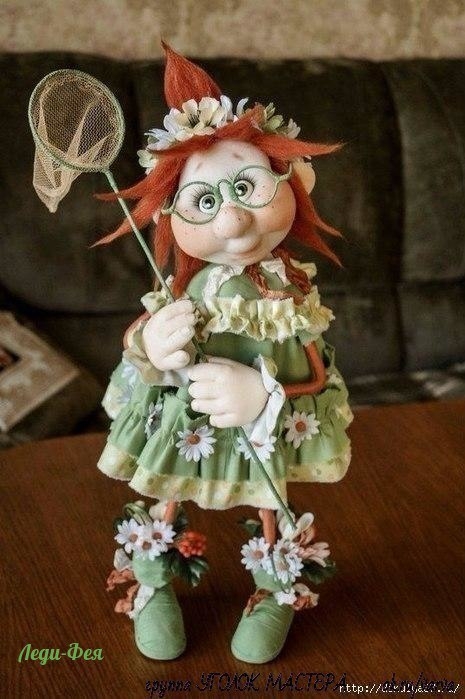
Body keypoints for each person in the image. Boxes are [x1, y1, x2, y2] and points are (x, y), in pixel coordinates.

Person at [98, 44, 352, 663]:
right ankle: (152, 580)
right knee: (167, 495)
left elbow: (319, 370)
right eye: (205, 202)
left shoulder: (290, 292)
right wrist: (152, 345)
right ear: (171, 216)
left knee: (271, 501)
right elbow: (138, 346)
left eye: (246, 188)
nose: (233, 220)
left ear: (293, 183)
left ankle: (275, 588)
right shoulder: (186, 290)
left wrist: (265, 394)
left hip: (264, 428)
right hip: (186, 425)